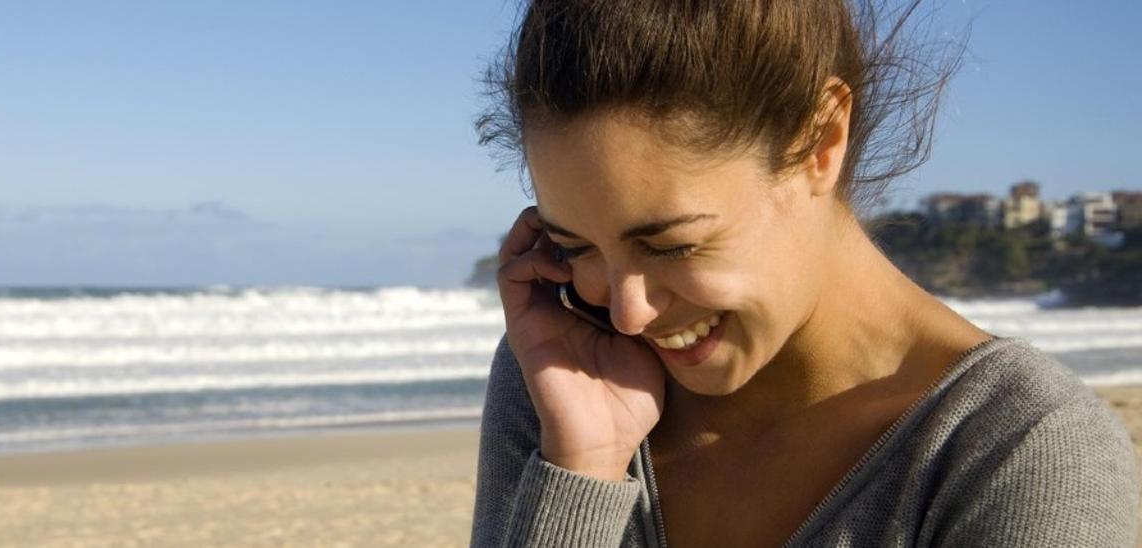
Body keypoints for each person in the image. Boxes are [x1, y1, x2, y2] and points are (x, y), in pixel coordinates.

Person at [467, 1, 1140, 547]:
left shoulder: (1018, 452)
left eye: (669, 246)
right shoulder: (568, 377)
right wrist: (582, 467)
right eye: (575, 246)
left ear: (819, 139)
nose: (627, 313)